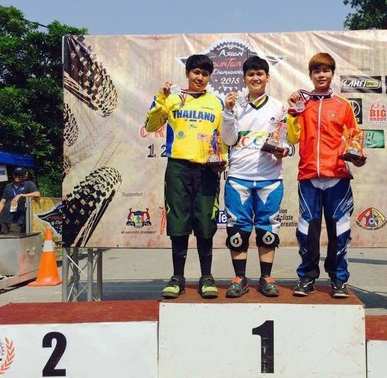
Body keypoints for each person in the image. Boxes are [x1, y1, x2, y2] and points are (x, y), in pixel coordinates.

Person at [145, 54, 227, 299]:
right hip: (178, 167)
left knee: (205, 222)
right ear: (187, 73)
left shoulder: (216, 102)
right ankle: (177, 278)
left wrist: (223, 160)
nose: (200, 78)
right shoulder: (172, 98)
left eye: (205, 74)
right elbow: (150, 126)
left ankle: (206, 276)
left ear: (210, 77)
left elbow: (223, 136)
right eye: (196, 72)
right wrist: (161, 98)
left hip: (207, 169)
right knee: (178, 221)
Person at [286, 52, 366, 298]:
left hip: (336, 176)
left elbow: (354, 138)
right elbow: (292, 138)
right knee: (306, 232)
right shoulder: (302, 104)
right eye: (317, 71)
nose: (321, 75)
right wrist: (292, 113)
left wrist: (357, 155)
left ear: (332, 74)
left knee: (339, 231)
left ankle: (339, 279)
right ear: (310, 75)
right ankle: (307, 277)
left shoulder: (343, 105)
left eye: (326, 70)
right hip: (309, 176)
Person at [222, 56, 290, 298]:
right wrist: (228, 112)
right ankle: (239, 278)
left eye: (260, 74)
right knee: (237, 230)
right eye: (251, 74)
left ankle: (266, 278)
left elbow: (286, 141)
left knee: (267, 228)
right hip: (239, 176)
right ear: (244, 78)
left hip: (269, 177)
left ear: (267, 77)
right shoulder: (235, 105)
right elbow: (228, 139)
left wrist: (284, 149)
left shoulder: (279, 107)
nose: (255, 78)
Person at [0, 167, 40, 234]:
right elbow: (2, 202)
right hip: (3, 218)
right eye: (16, 175)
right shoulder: (8, 186)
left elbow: (37, 194)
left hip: (17, 220)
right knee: (2, 237)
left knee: (14, 237)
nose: (17, 177)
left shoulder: (28, 184)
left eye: (20, 175)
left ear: (24, 176)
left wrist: (21, 195)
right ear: (13, 175)